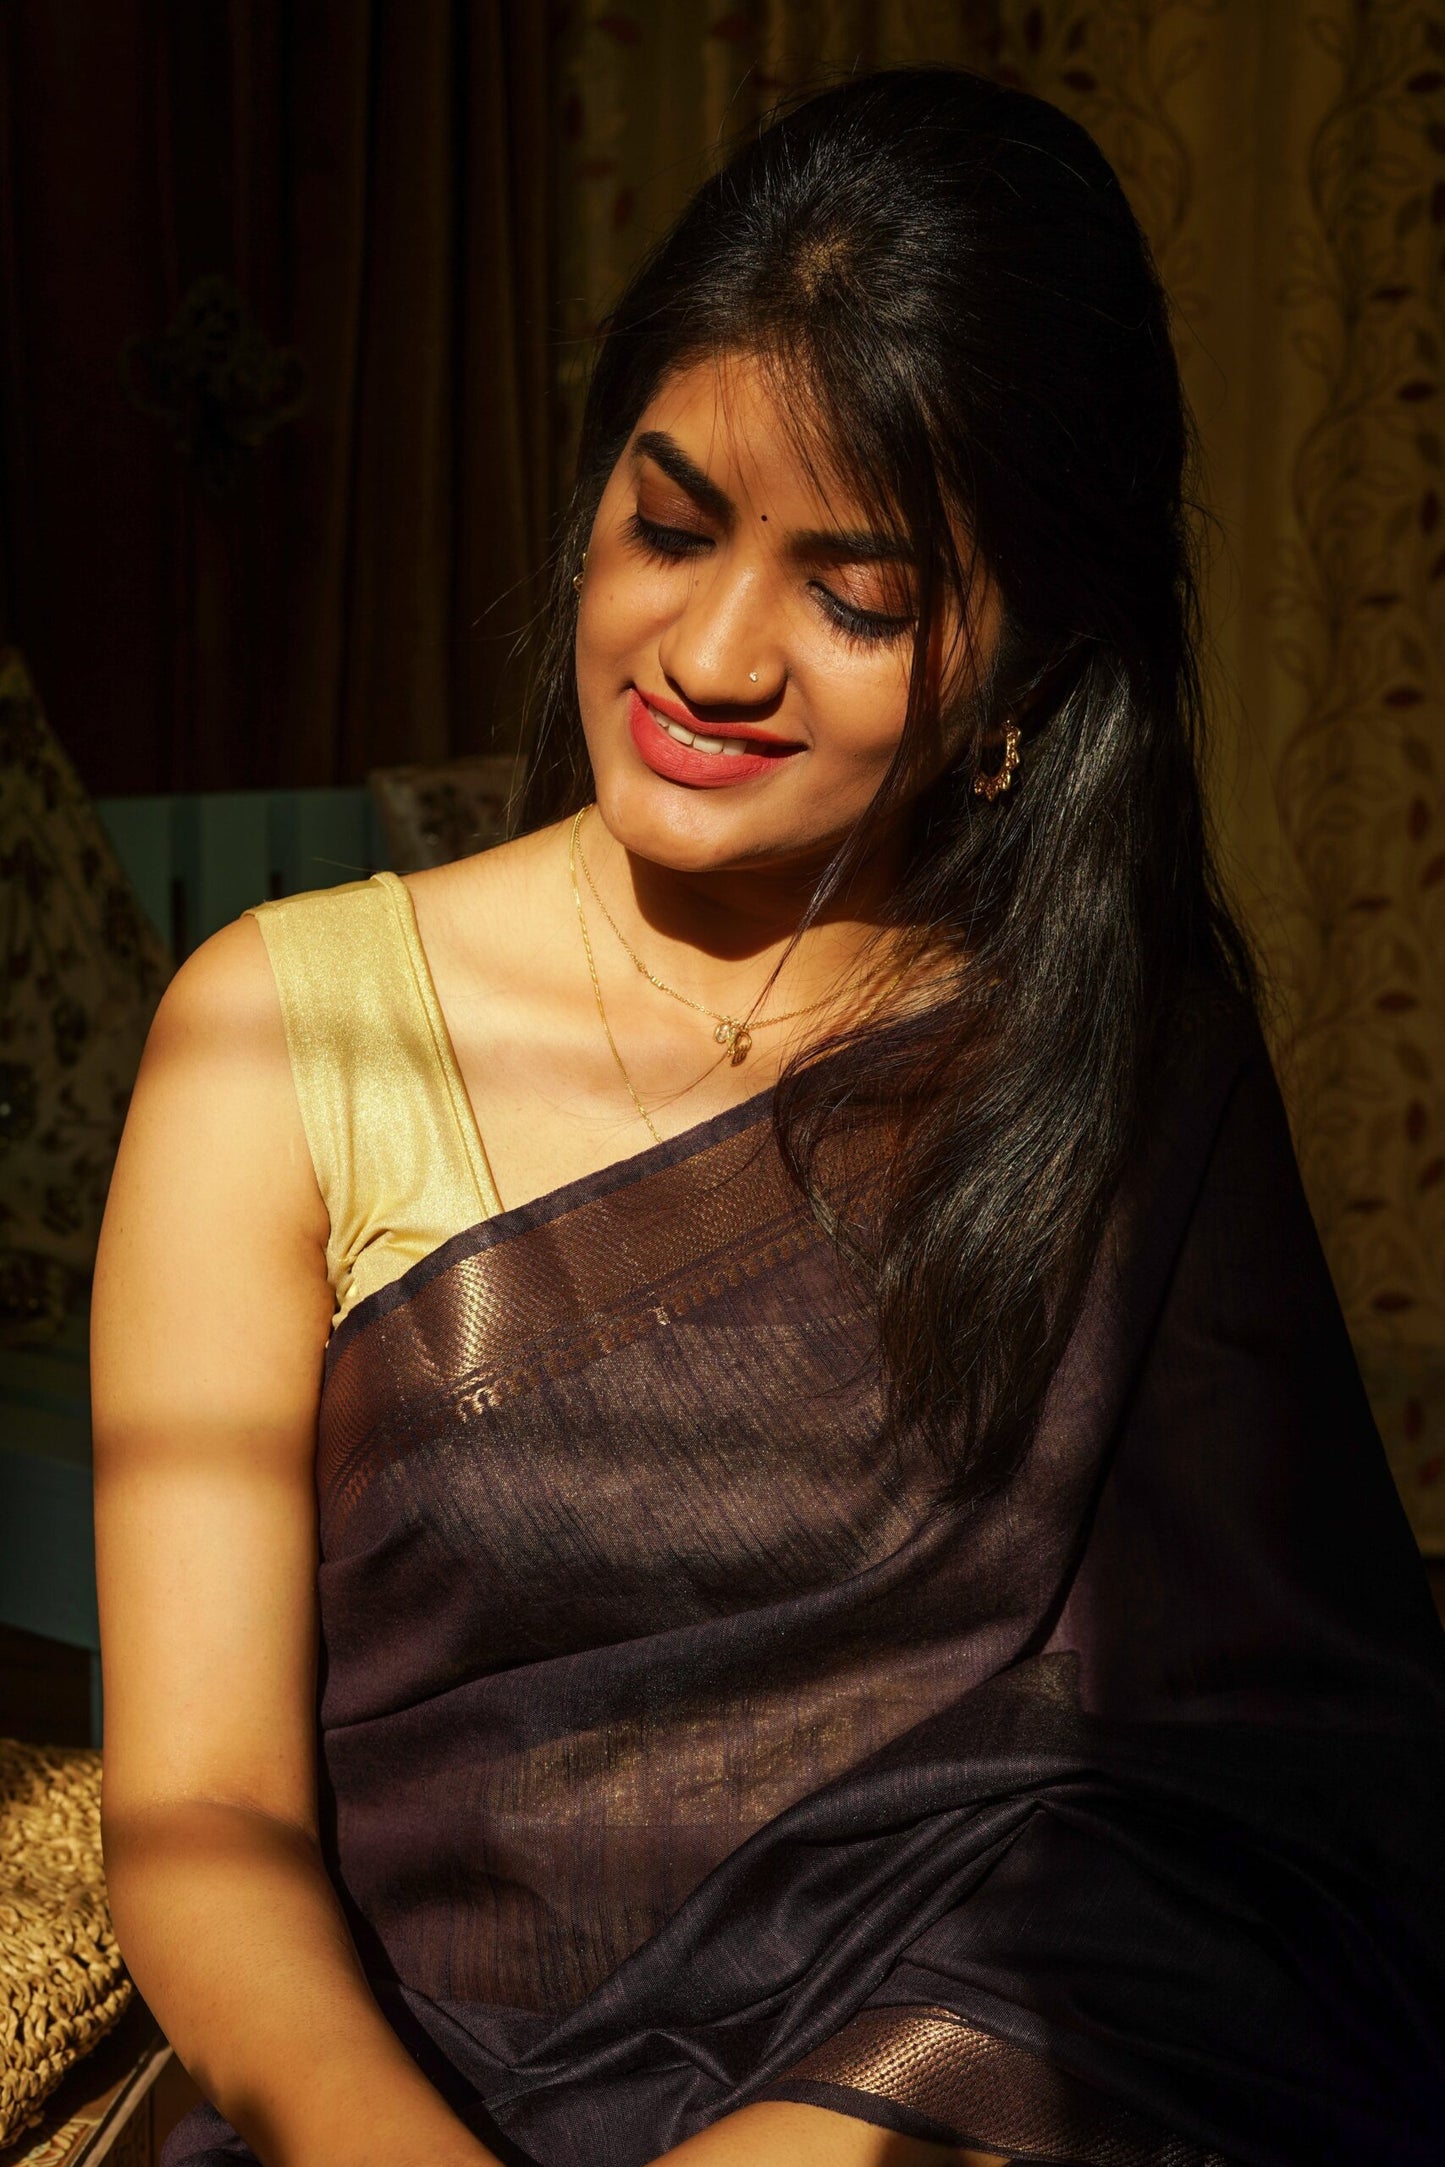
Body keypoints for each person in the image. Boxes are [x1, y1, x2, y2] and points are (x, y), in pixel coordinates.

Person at [92, 66, 1444, 2167]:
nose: (712, 655)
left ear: (1026, 669)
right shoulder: (282, 1033)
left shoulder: (1108, 1064)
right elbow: (202, 1821)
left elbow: (1228, 1803)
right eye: (669, 523)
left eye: (857, 596)